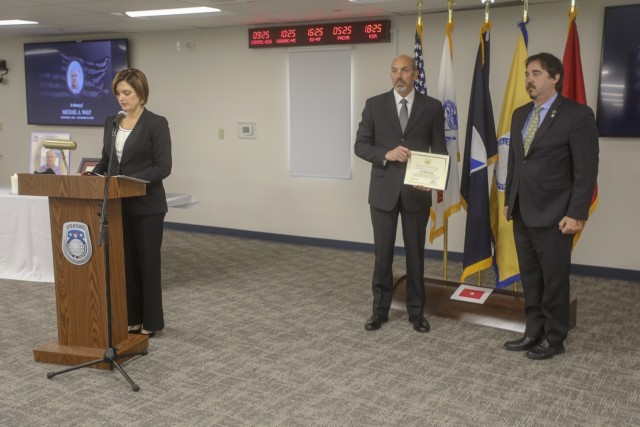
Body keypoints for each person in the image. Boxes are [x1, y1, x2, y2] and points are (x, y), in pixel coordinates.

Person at [503, 52, 599, 360]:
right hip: (522, 210)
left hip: (557, 213)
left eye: (536, 74)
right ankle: (533, 330)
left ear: (555, 77)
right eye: (527, 74)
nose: (529, 79)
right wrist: (509, 201)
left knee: (554, 279)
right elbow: (517, 162)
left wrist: (576, 213)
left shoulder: (577, 114)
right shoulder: (520, 114)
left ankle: (555, 337)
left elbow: (586, 169)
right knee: (530, 276)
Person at [354, 54, 447, 333]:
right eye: (394, 70)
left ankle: (416, 312)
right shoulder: (374, 105)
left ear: (415, 73)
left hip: (416, 192)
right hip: (383, 192)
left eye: (404, 70)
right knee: (382, 255)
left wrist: (433, 180)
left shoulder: (432, 107)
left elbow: (440, 150)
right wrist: (386, 153)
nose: (398, 76)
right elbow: (360, 146)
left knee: (415, 255)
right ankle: (379, 311)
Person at [91, 69, 172, 338]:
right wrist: (92, 175)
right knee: (125, 264)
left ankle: (152, 321)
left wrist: (127, 180)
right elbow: (106, 161)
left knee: (147, 263)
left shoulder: (156, 123)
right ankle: (133, 318)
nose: (121, 98)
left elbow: (163, 167)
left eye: (127, 93)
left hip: (148, 206)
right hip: (118, 205)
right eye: (118, 93)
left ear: (141, 93)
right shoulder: (112, 123)